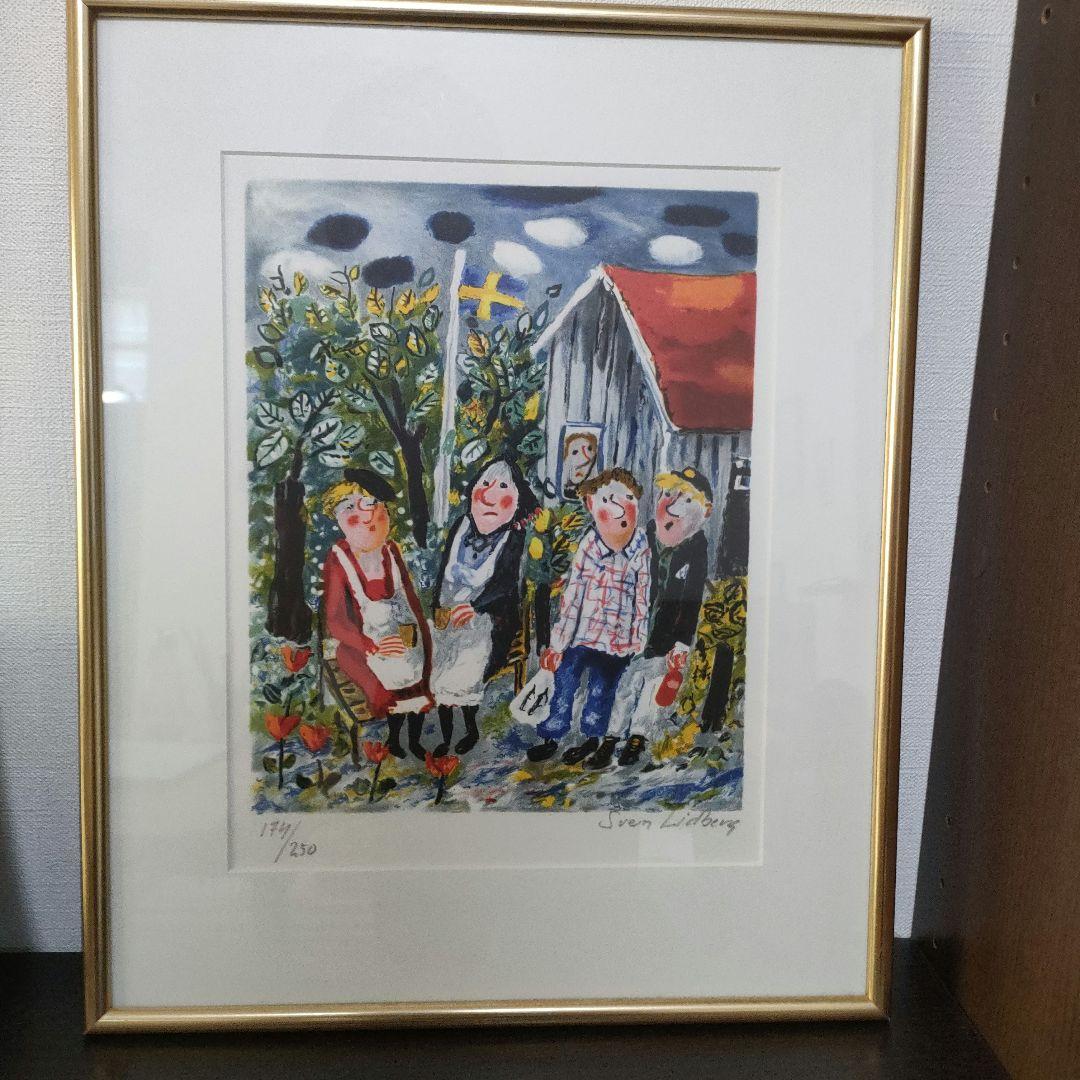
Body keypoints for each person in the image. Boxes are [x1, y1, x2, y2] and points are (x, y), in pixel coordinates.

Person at [525, 468, 650, 766]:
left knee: (601, 690)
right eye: (608, 500)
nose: (619, 508)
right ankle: (552, 734)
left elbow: (643, 595)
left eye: (627, 499)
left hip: (617, 639)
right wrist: (559, 643)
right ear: (591, 505)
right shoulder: (589, 545)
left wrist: (638, 636)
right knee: (565, 681)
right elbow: (573, 595)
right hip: (582, 634)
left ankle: (591, 739)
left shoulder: (641, 547)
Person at [430, 456, 539, 755]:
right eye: (486, 483)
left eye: (503, 486)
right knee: (436, 658)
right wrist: (437, 606)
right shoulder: (461, 526)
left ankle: (469, 728)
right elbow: (443, 573)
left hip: (491, 619)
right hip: (450, 613)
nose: (490, 494)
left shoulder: (513, 537)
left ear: (518, 498)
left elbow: (506, 586)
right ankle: (446, 734)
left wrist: (475, 607)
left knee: (467, 661)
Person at [321, 469, 432, 760]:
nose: (366, 514)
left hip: (403, 636)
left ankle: (415, 739)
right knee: (391, 677)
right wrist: (371, 646)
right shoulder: (339, 559)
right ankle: (395, 739)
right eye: (350, 507)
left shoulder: (392, 552)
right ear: (338, 518)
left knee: (416, 667)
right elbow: (336, 621)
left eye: (371, 503)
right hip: (363, 644)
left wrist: (420, 639)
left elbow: (411, 601)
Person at [604, 467, 712, 767]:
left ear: (704, 511)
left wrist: (682, 643)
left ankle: (637, 736)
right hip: (633, 627)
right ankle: (612, 736)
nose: (673, 506)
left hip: (665, 633)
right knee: (625, 683)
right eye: (668, 495)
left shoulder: (696, 550)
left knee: (653, 684)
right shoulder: (644, 536)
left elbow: (692, 600)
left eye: (685, 500)